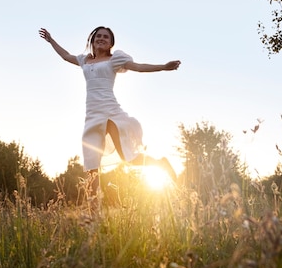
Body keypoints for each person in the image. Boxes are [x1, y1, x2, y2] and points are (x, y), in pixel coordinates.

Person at [39, 26, 180, 206]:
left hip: (110, 112)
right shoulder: (84, 60)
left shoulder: (115, 60)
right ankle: (94, 214)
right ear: (92, 40)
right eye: (99, 36)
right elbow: (66, 56)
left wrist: (163, 67)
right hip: (91, 115)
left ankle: (161, 163)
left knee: (127, 158)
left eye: (106, 37)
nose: (102, 39)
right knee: (91, 166)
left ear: (111, 43)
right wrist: (51, 40)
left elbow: (139, 67)